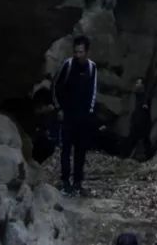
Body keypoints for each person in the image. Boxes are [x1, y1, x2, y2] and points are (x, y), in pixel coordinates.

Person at [52, 34, 98, 196]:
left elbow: (93, 92)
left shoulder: (92, 68)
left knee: (80, 150)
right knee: (65, 149)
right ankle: (65, 181)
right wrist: (60, 108)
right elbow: (56, 87)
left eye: (81, 52)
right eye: (76, 52)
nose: (78, 55)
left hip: (83, 117)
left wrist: (90, 113)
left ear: (87, 52)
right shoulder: (68, 65)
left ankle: (78, 182)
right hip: (68, 115)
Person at [128, 77, 153, 161]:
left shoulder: (144, 97)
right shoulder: (137, 96)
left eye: (138, 83)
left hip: (141, 123)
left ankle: (146, 156)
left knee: (142, 140)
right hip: (137, 122)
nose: (136, 85)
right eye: (136, 83)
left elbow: (144, 111)